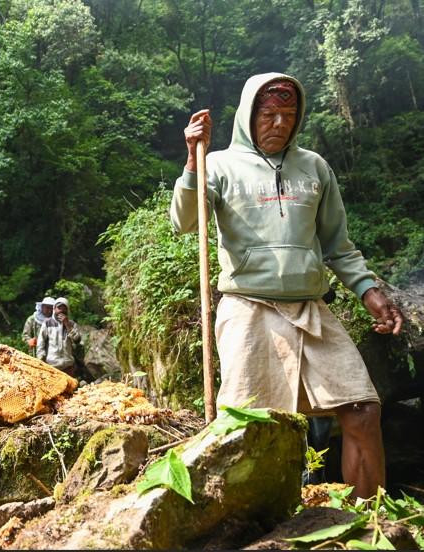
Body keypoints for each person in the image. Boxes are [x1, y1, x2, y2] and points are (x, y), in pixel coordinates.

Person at [170, 72, 404, 499]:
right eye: (269, 114)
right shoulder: (218, 164)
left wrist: (369, 290)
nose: (280, 123)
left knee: (362, 410)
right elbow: (185, 222)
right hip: (248, 310)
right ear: (248, 115)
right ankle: (248, 526)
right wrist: (191, 159)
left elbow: (338, 245)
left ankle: (369, 521)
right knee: (245, 426)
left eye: (288, 115)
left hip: (311, 309)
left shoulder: (315, 167)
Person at [37, 296, 82, 376]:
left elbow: (77, 340)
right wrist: (41, 360)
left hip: (67, 365)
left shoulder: (71, 324)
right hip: (51, 365)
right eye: (59, 308)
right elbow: (41, 343)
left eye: (64, 308)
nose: (61, 310)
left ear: (67, 311)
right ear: (54, 309)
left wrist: (67, 324)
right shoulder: (47, 323)